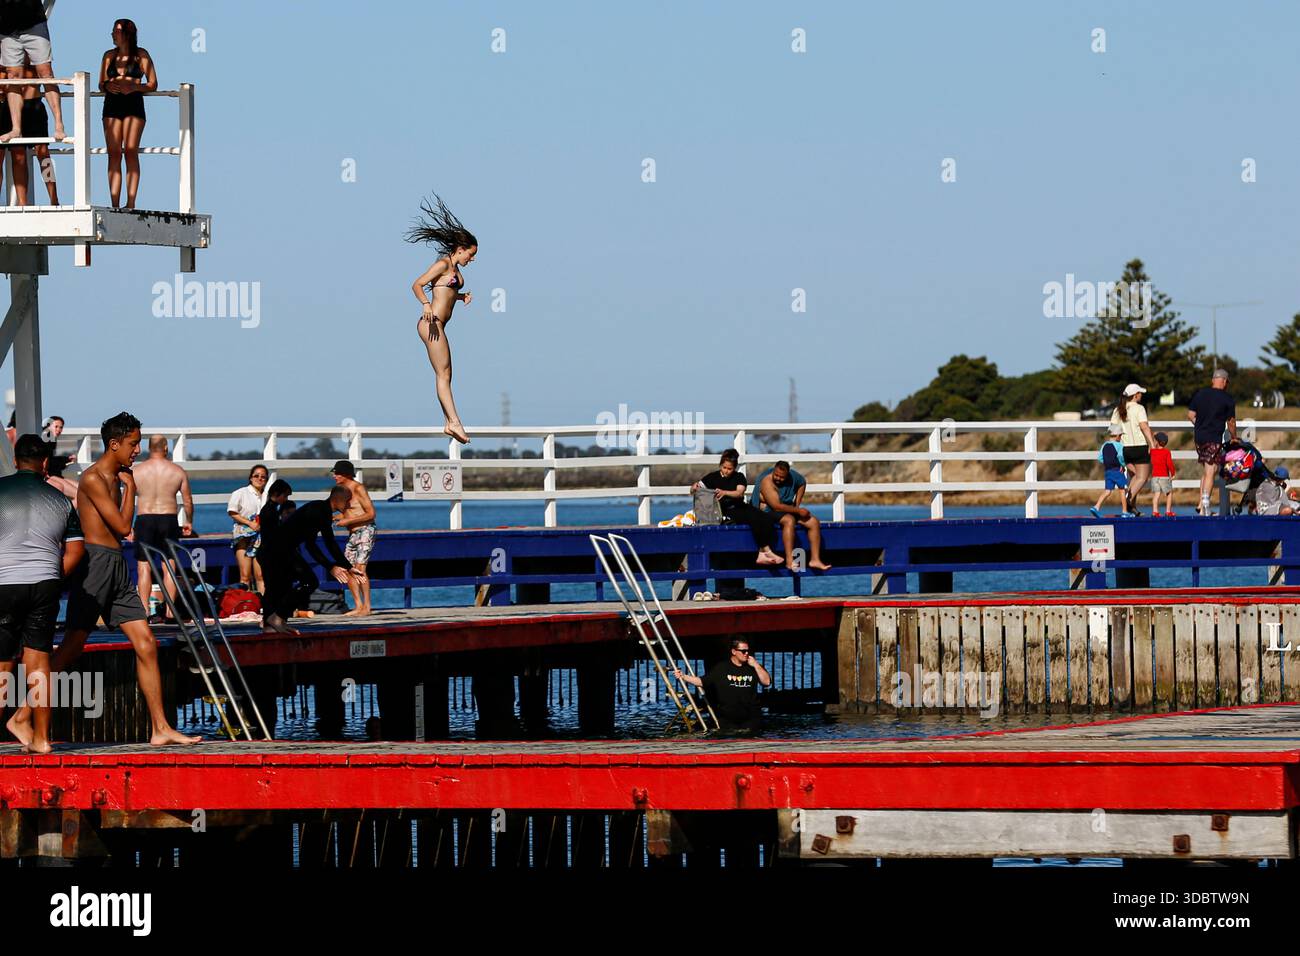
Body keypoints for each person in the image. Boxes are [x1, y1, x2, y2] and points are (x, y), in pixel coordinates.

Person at [9, 412, 199, 747]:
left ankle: (160, 728)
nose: (136, 450)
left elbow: (122, 533)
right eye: (132, 444)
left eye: (138, 443)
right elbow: (124, 527)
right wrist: (132, 490)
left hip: (116, 566)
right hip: (95, 566)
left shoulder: (117, 477)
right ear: (114, 444)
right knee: (70, 650)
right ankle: (22, 716)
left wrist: (127, 486)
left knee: (147, 644)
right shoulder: (96, 478)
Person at [0, 434, 84, 753]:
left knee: (2, 664)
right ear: (45, 463)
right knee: (39, 663)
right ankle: (41, 739)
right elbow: (76, 549)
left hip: (3, 584)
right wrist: (53, 577)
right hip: (45, 583)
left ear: (16, 460)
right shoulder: (60, 499)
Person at [406, 193, 477, 444]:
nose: (473, 258)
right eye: (470, 254)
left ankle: (450, 422)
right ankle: (453, 422)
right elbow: (417, 284)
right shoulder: (443, 265)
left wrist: (460, 297)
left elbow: (444, 293)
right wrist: (425, 303)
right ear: (460, 250)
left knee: (446, 374)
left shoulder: (454, 270)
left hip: (438, 324)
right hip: (431, 323)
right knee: (443, 374)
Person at [259, 485, 364, 635]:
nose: (348, 505)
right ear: (338, 499)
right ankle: (276, 618)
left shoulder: (320, 509)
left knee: (280, 587)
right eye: (347, 501)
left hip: (281, 549)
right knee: (306, 582)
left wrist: (344, 566)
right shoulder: (319, 512)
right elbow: (325, 544)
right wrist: (333, 567)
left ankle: (273, 623)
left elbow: (317, 544)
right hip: (277, 550)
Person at [131, 435, 193, 624]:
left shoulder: (137, 471)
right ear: (165, 448)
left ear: (149, 448)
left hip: (144, 518)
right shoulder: (177, 471)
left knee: (143, 567)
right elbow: (188, 500)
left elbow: (125, 501)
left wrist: (126, 526)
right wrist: (189, 521)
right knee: (169, 567)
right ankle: (170, 612)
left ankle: (143, 611)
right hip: (168, 518)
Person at [98, 19, 156, 210]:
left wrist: (135, 87)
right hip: (112, 103)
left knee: (130, 151)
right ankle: (114, 203)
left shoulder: (141, 55)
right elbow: (101, 83)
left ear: (127, 33)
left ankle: (130, 202)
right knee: (114, 153)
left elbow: (153, 83)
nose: (113, 34)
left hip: (133, 102)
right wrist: (107, 85)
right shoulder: (108, 55)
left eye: (116, 31)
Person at [692, 448, 782, 566]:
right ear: (721, 465)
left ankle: (762, 553)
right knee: (754, 520)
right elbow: (696, 490)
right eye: (724, 467)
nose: (727, 471)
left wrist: (725, 492)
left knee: (765, 518)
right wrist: (694, 487)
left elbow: (739, 493)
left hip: (740, 506)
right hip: (725, 510)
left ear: (734, 468)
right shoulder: (712, 477)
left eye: (730, 468)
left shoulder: (739, 477)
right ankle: (766, 551)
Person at [672, 638, 771, 733]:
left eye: (747, 651)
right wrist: (683, 676)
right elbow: (702, 681)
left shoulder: (753, 667)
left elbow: (766, 682)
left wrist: (756, 665)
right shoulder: (721, 668)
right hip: (728, 719)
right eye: (743, 651)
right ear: (734, 651)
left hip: (751, 718)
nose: (746, 653)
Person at [0, 0, 65, 144]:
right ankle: (16, 129)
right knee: (12, 76)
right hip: (6, 28)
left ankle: (59, 124)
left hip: (33, 23)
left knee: (45, 73)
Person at [751, 460, 832, 571]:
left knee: (813, 522)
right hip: (766, 511)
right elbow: (776, 506)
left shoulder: (794, 477)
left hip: (786, 508)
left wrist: (797, 504)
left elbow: (802, 483)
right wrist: (797, 511)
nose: (778, 478)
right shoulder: (766, 481)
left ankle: (815, 560)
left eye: (781, 477)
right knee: (789, 520)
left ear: (788, 475)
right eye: (776, 475)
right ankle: (789, 561)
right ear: (774, 471)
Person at [1187, 369, 1238, 516]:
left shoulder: (1200, 394)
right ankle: (1205, 508)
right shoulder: (1227, 399)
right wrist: (1234, 437)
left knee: (1208, 469)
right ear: (1224, 381)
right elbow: (1231, 422)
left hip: (1199, 438)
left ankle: (1200, 505)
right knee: (1211, 471)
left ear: (1212, 380)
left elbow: (1190, 415)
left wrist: (1200, 425)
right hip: (1213, 438)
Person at [330, 460, 377, 616]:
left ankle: (367, 607)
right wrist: (338, 517)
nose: (334, 476)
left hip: (365, 530)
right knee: (348, 568)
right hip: (353, 534)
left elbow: (370, 514)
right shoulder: (342, 489)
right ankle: (358, 606)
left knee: (360, 568)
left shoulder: (358, 488)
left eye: (337, 473)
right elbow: (351, 511)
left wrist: (347, 521)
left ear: (347, 474)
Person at [1109, 384, 1156, 516]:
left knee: (1134, 478)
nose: (1141, 395)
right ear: (1135, 395)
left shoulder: (1118, 410)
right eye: (1140, 393)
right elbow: (1144, 427)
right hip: (1139, 448)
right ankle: (1128, 500)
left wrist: (1114, 449)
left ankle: (1131, 509)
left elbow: (1113, 430)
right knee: (1142, 478)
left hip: (1124, 449)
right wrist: (1152, 444)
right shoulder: (1139, 408)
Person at [18, 55, 56, 204]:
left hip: (34, 106)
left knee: (43, 155)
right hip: (14, 108)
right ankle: (22, 202)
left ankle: (54, 198)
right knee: (19, 156)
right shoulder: (8, 54)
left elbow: (47, 77)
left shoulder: (33, 54)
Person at [227, 464, 269, 593]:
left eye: (263, 477)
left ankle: (264, 604)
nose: (259, 479)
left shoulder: (267, 496)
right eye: (256, 475)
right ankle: (246, 604)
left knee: (261, 575)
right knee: (245, 575)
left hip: (261, 537)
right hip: (243, 536)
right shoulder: (240, 493)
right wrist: (250, 523)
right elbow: (232, 512)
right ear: (250, 478)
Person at [1090, 424, 1128, 518]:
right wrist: (1123, 465)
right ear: (1118, 436)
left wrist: (1108, 463)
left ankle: (1096, 507)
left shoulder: (1104, 445)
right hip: (1117, 471)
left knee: (1107, 491)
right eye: (1121, 436)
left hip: (1108, 471)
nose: (1121, 437)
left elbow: (1100, 458)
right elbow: (1120, 456)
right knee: (1122, 490)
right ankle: (1125, 512)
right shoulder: (1119, 445)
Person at [1148, 431, 1175, 517]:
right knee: (1169, 493)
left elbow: (1150, 449)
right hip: (1164, 477)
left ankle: (1155, 511)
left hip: (1155, 477)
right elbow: (1169, 464)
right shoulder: (1166, 452)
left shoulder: (1152, 452)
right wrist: (1173, 473)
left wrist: (1152, 438)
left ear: (1157, 442)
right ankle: (1168, 511)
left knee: (1156, 494)